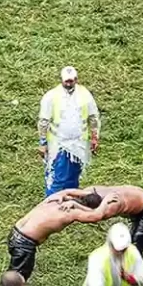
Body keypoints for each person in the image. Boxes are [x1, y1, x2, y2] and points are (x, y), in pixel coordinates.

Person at [51, 184, 143, 278]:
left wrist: (76, 207)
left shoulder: (112, 204)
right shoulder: (91, 190)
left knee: (135, 247)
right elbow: (73, 192)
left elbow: (95, 216)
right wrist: (66, 198)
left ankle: (134, 283)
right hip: (140, 203)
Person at [7, 189, 116, 280]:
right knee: (18, 276)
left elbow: (68, 191)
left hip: (15, 231)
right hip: (24, 243)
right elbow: (96, 215)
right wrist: (106, 201)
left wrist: (85, 194)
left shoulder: (56, 198)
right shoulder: (71, 212)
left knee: (17, 271)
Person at [37, 66, 100, 195]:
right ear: (61, 80)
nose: (68, 83)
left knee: (73, 178)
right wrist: (43, 143)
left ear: (76, 79)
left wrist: (94, 137)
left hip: (78, 144)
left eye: (71, 81)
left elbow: (93, 117)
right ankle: (52, 207)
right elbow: (43, 121)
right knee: (56, 178)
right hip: (58, 144)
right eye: (66, 81)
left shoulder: (84, 94)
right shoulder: (52, 96)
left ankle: (71, 204)